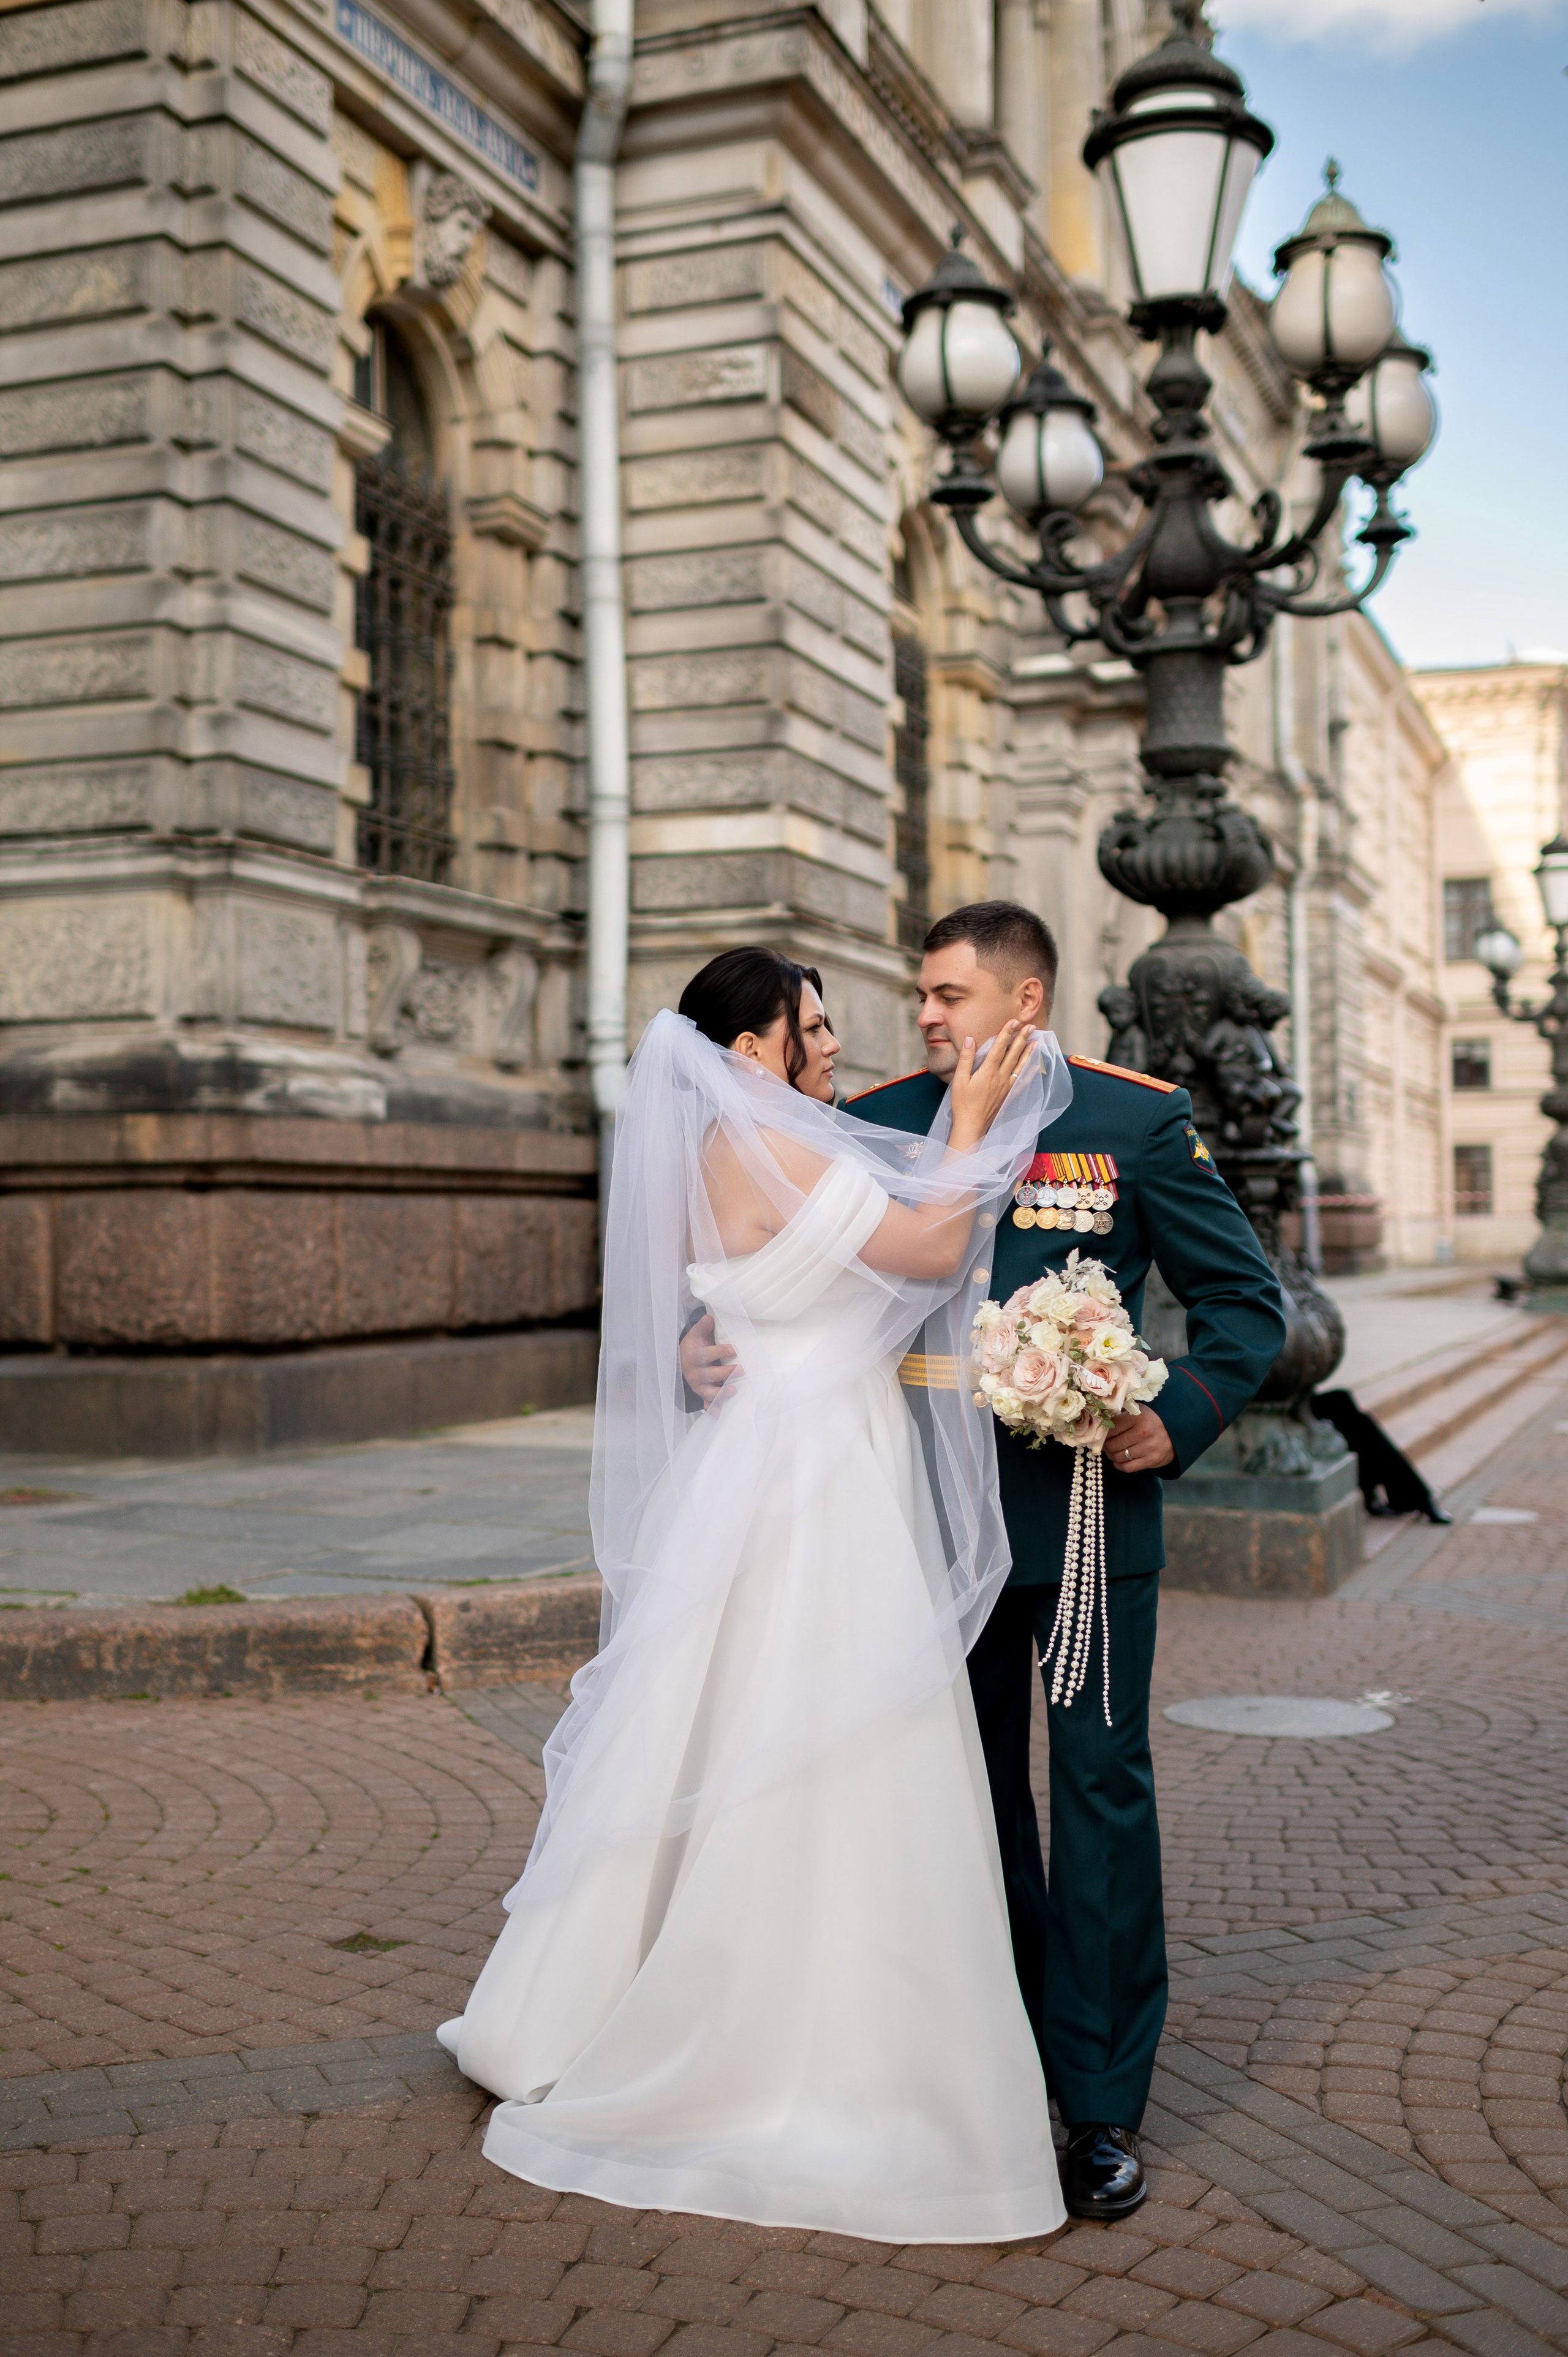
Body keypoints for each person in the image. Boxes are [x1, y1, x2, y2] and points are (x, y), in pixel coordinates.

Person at [440, 945, 1076, 2242]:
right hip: (809, 1480)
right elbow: (932, 1240)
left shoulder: (740, 1153)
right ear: (751, 1049)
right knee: (820, 1732)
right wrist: (965, 1119)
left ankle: (609, 1988)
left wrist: (696, 1339)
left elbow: (725, 1297)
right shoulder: (770, 1153)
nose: (834, 1047)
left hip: (778, 1457)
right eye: (814, 1026)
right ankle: (783, 2029)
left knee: (726, 1722)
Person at [686, 905, 1286, 2222]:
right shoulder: (882, 1110)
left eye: (949, 995)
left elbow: (1250, 1305)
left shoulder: (1130, 1119)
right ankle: (995, 2052)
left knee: (1098, 1800)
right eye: (919, 994)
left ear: (1022, 1000)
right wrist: (698, 1342)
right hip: (903, 1522)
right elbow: (760, 1237)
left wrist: (1168, 1414)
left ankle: (1101, 2100)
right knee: (961, 1805)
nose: (926, 1018)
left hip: (1075, 1521)